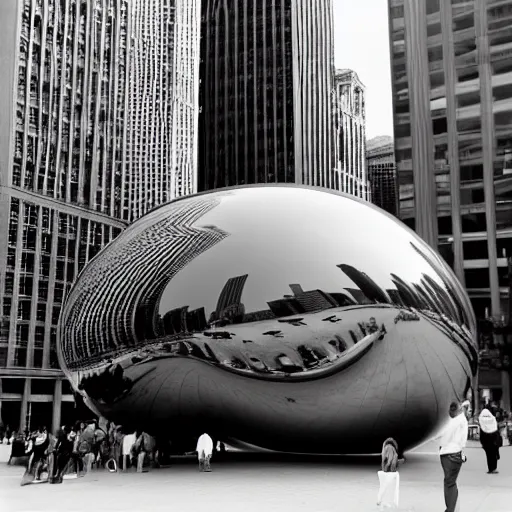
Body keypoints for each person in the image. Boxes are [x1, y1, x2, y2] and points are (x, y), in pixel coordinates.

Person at [436, 401, 469, 512]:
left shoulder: (454, 422)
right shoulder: (463, 421)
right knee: (451, 482)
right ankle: (453, 507)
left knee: (449, 483)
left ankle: (451, 509)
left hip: (447, 454)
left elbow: (443, 437)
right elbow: (463, 442)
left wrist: (441, 445)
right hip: (457, 454)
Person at [479, 408, 500, 474]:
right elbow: (496, 431)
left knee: (488, 456)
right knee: (494, 455)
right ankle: (494, 468)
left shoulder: (481, 421)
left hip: (486, 443)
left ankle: (490, 468)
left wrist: (482, 443)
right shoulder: (493, 419)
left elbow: (481, 434)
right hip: (494, 441)